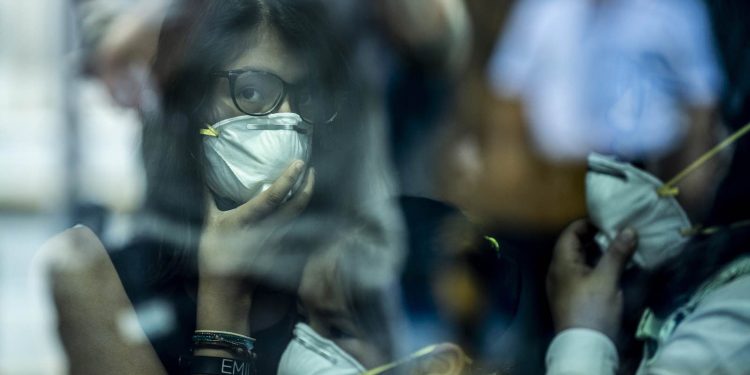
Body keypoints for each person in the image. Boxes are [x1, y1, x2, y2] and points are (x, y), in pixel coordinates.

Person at [41, 0, 404, 374]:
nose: (287, 121)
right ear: (195, 104)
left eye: (306, 98)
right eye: (251, 94)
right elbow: (113, 43)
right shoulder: (106, 286)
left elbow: (436, 37)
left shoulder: (336, 296)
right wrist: (222, 295)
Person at [545, 0, 750, 372]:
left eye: (662, 95)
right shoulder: (691, 265)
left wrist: (583, 333)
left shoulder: (739, 322)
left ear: (729, 136)